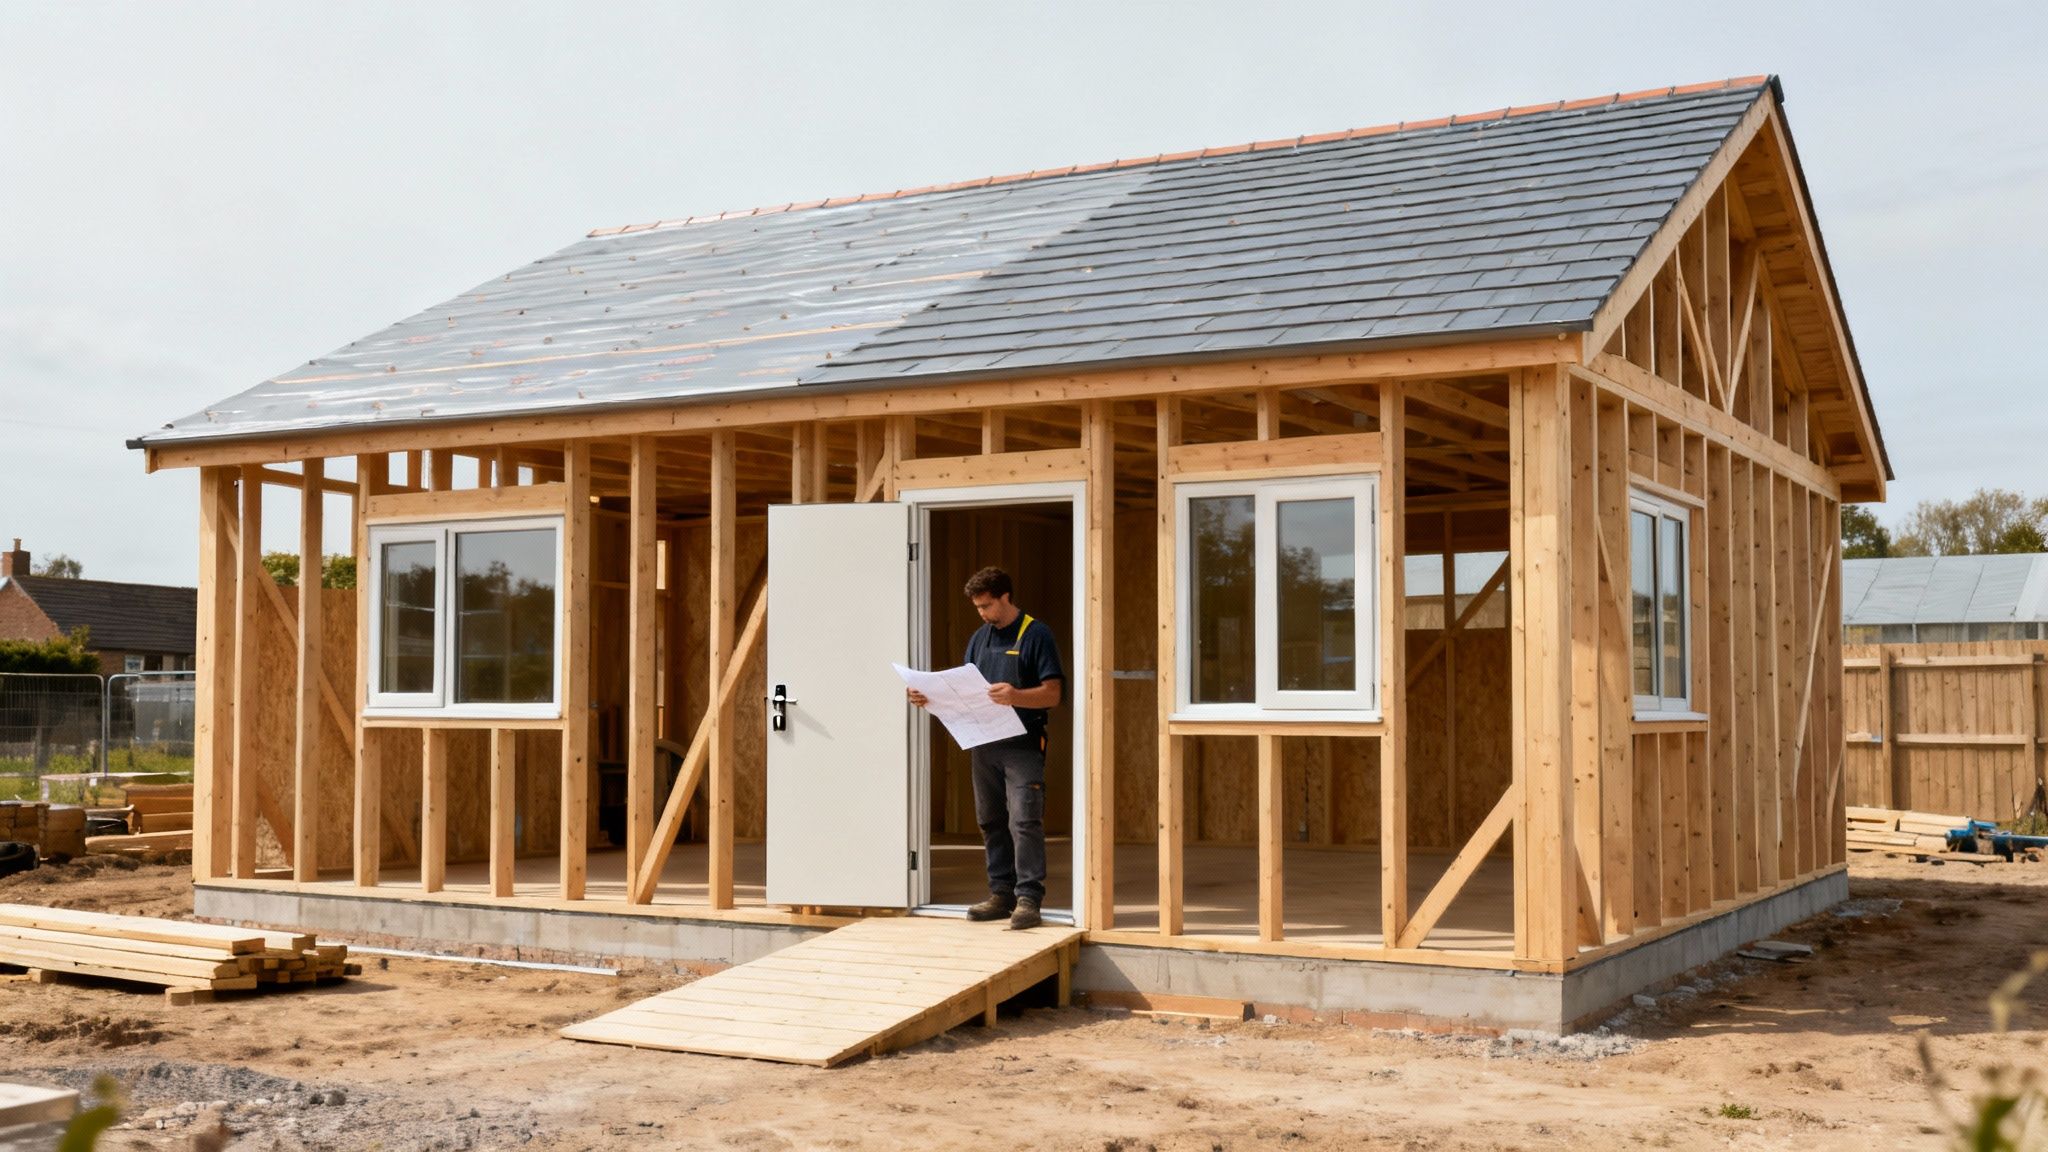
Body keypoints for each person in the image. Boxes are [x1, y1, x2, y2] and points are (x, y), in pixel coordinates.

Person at [906, 566, 1064, 930]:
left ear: (1006, 597)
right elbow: (964, 690)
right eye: (977, 607)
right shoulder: (979, 637)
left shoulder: (1035, 634)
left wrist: (1016, 696)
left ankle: (1029, 898)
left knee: (1024, 820)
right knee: (990, 821)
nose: (982, 613)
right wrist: (926, 696)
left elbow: (1053, 693)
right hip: (984, 743)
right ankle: (1001, 894)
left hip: (1022, 744)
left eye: (987, 605)